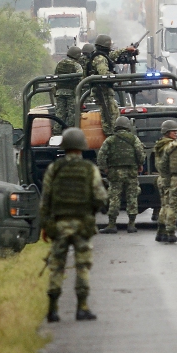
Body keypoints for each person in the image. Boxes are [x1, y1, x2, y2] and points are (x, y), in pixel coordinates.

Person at [40, 127, 107, 322]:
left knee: (57, 266)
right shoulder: (89, 169)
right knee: (82, 266)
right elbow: (101, 197)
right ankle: (82, 308)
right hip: (82, 225)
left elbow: (45, 201)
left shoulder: (54, 169)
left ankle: (52, 310)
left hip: (59, 225)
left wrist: (47, 225)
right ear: (81, 147)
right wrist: (90, 212)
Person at [97, 116, 144, 234]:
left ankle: (112, 224)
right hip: (131, 172)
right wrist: (140, 164)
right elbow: (140, 154)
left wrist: (105, 169)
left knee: (114, 198)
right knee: (132, 197)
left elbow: (101, 156)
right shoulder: (134, 139)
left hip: (115, 173)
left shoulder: (110, 140)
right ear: (128, 126)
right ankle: (131, 225)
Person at [88, 34, 136, 136]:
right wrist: (116, 77)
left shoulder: (101, 55)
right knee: (110, 116)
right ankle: (113, 136)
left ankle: (113, 135)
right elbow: (104, 74)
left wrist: (126, 49)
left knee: (111, 114)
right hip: (102, 91)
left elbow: (113, 55)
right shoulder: (100, 58)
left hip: (103, 90)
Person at [153, 119, 177, 242]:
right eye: (173, 131)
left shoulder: (160, 144)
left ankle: (161, 232)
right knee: (170, 206)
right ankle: (169, 233)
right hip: (168, 178)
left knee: (164, 206)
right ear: (167, 132)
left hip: (161, 178)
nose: (175, 133)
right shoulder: (170, 145)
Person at [52, 46, 85, 135]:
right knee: (72, 115)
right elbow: (81, 77)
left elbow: (56, 75)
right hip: (71, 93)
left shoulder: (60, 63)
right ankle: (71, 133)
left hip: (59, 92)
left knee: (59, 114)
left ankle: (56, 133)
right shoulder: (76, 65)